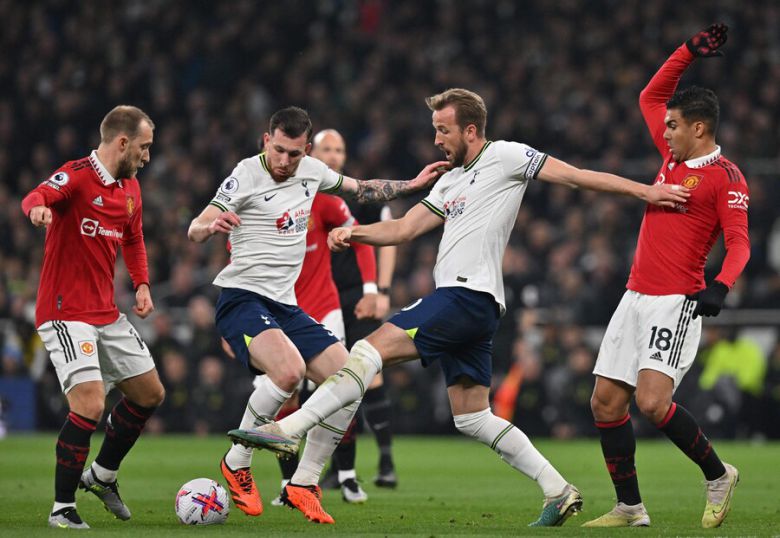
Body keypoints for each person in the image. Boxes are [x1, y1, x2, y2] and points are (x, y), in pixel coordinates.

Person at [229, 89, 688, 527]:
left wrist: (644, 192)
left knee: (366, 352)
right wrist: (354, 234)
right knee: (472, 416)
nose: (436, 139)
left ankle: (289, 432)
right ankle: (557, 489)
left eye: (443, 129)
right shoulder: (450, 181)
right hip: (472, 308)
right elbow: (405, 228)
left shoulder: (506, 156)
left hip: (466, 296)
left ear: (470, 130)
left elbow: (575, 175)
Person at [188, 106, 447, 524]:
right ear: (266, 140)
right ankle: (237, 461)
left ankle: (304, 482)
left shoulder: (312, 171)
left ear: (306, 150)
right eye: (278, 150)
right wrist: (209, 226)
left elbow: (363, 189)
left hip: (286, 306)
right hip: (243, 300)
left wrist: (413, 185)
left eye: (294, 153)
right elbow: (196, 226)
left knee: (351, 380)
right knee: (289, 373)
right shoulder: (245, 174)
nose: (284, 161)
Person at [582, 24, 748, 529]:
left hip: (675, 301)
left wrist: (721, 285)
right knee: (605, 403)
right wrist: (688, 51)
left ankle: (719, 475)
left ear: (698, 128)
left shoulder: (726, 178)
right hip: (634, 296)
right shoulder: (672, 156)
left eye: (673, 125)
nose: (664, 131)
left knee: (653, 402)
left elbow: (740, 242)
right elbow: (649, 96)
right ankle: (629, 507)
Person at [21, 105, 165, 529]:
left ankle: (102, 475)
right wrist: (37, 210)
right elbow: (36, 195)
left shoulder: (130, 188)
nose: (147, 156)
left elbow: (133, 238)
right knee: (89, 403)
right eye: (143, 147)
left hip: (106, 312)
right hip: (65, 312)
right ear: (122, 142)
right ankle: (62, 508)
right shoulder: (77, 175)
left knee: (150, 393)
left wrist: (142, 284)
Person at [322, 129, 400, 490]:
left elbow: (388, 238)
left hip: (357, 296)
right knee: (328, 379)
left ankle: (386, 460)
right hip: (319, 298)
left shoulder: (359, 195)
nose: (334, 155)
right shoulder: (302, 194)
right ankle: (338, 464)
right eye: (327, 149)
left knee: (371, 373)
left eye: (339, 149)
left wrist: (381, 290)